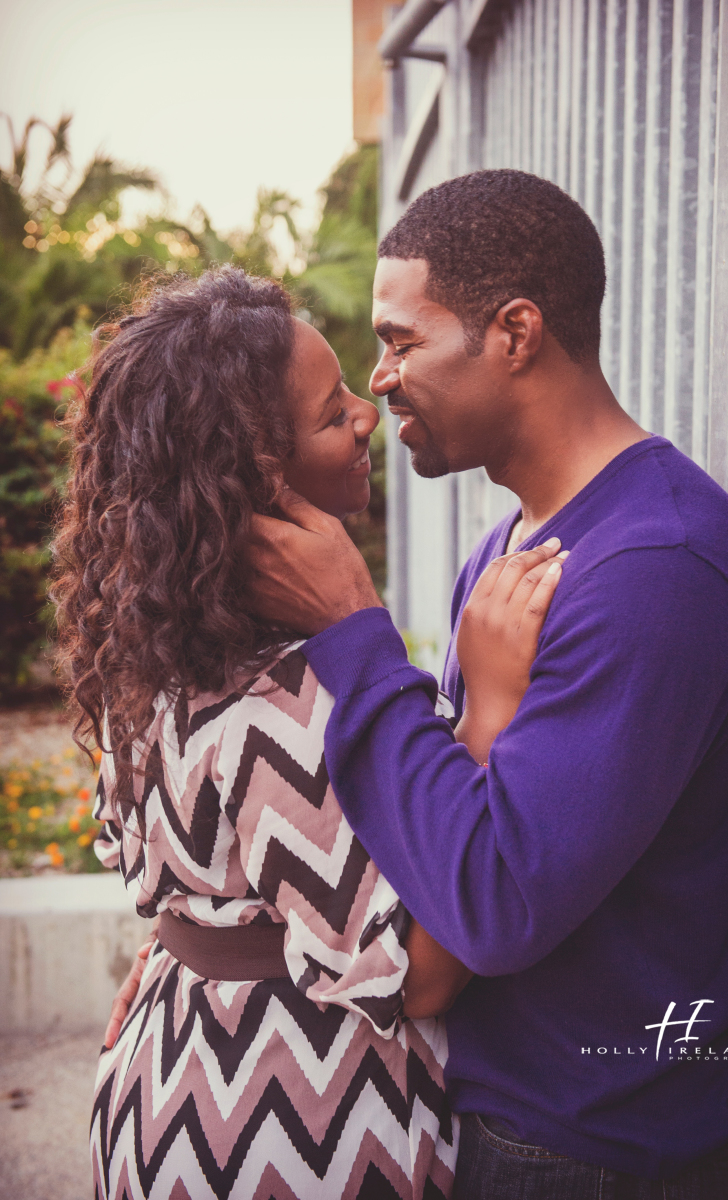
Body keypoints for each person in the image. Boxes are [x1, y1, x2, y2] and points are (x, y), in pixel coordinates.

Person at [240, 171, 728, 1198]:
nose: (381, 377)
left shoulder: (654, 571)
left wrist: (357, 636)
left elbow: (491, 905)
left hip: (603, 1149)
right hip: (528, 1118)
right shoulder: (516, 545)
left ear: (517, 333)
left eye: (403, 340)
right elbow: (448, 816)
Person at [53, 265, 565, 1200]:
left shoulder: (152, 656)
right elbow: (422, 981)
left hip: (163, 1085)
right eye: (333, 415)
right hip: (291, 1130)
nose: (367, 413)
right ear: (262, 475)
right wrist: (493, 712)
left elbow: (213, 882)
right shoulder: (303, 701)